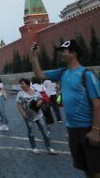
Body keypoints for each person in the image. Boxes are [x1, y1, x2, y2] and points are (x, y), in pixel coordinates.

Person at [31, 40, 100, 175]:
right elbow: (39, 75)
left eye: (64, 51)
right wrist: (34, 57)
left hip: (88, 128)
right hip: (72, 128)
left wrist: (96, 130)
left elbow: (97, 105)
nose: (61, 54)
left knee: (96, 168)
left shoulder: (87, 74)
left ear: (73, 53)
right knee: (86, 167)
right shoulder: (63, 72)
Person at [15, 78, 56, 155]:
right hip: (28, 115)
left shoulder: (35, 91)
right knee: (31, 132)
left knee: (44, 131)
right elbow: (18, 104)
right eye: (20, 84)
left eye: (22, 84)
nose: (21, 85)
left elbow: (41, 99)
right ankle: (34, 148)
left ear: (27, 84)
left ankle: (49, 147)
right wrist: (23, 113)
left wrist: (39, 102)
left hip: (39, 114)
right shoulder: (20, 93)